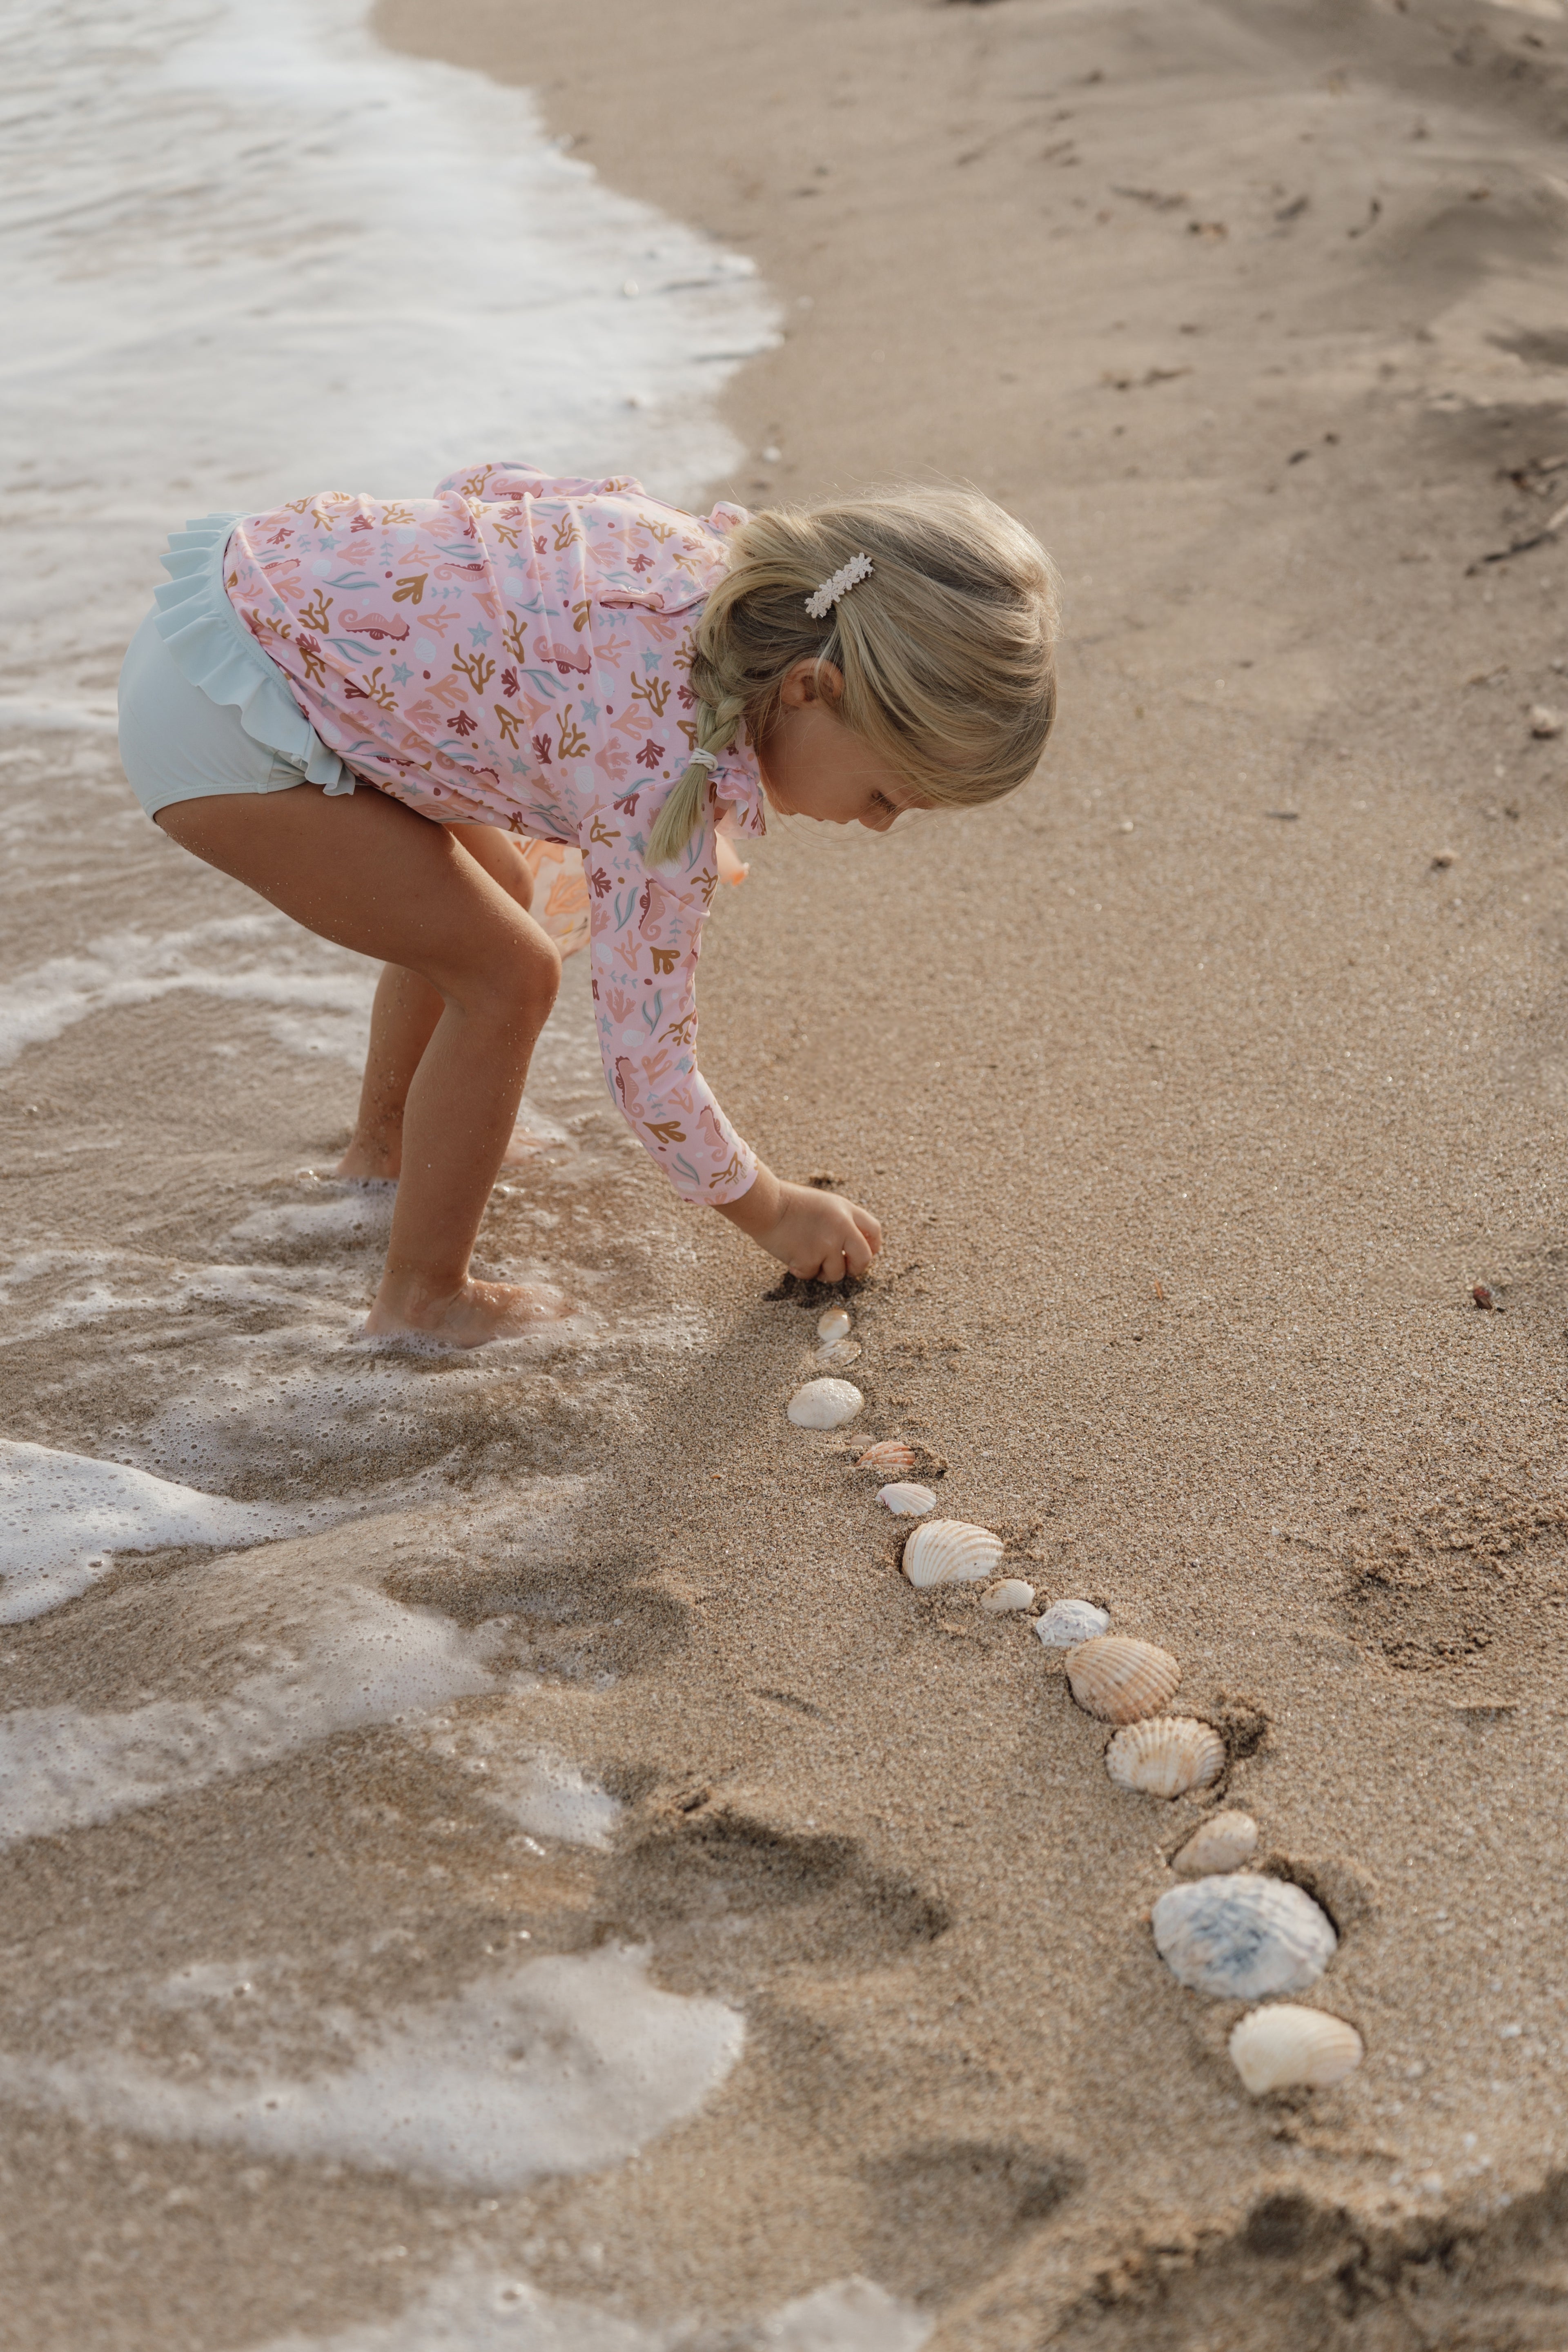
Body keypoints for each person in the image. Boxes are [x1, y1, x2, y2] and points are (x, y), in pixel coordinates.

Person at [117, 464, 1059, 1347]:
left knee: (498, 898)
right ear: (814, 688)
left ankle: (389, 1149)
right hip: (231, 724)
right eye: (888, 797)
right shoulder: (662, 766)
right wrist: (772, 1209)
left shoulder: (692, 558)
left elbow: (488, 489)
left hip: (250, 599)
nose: (882, 827)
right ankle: (421, 1301)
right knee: (508, 975)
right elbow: (648, 1069)